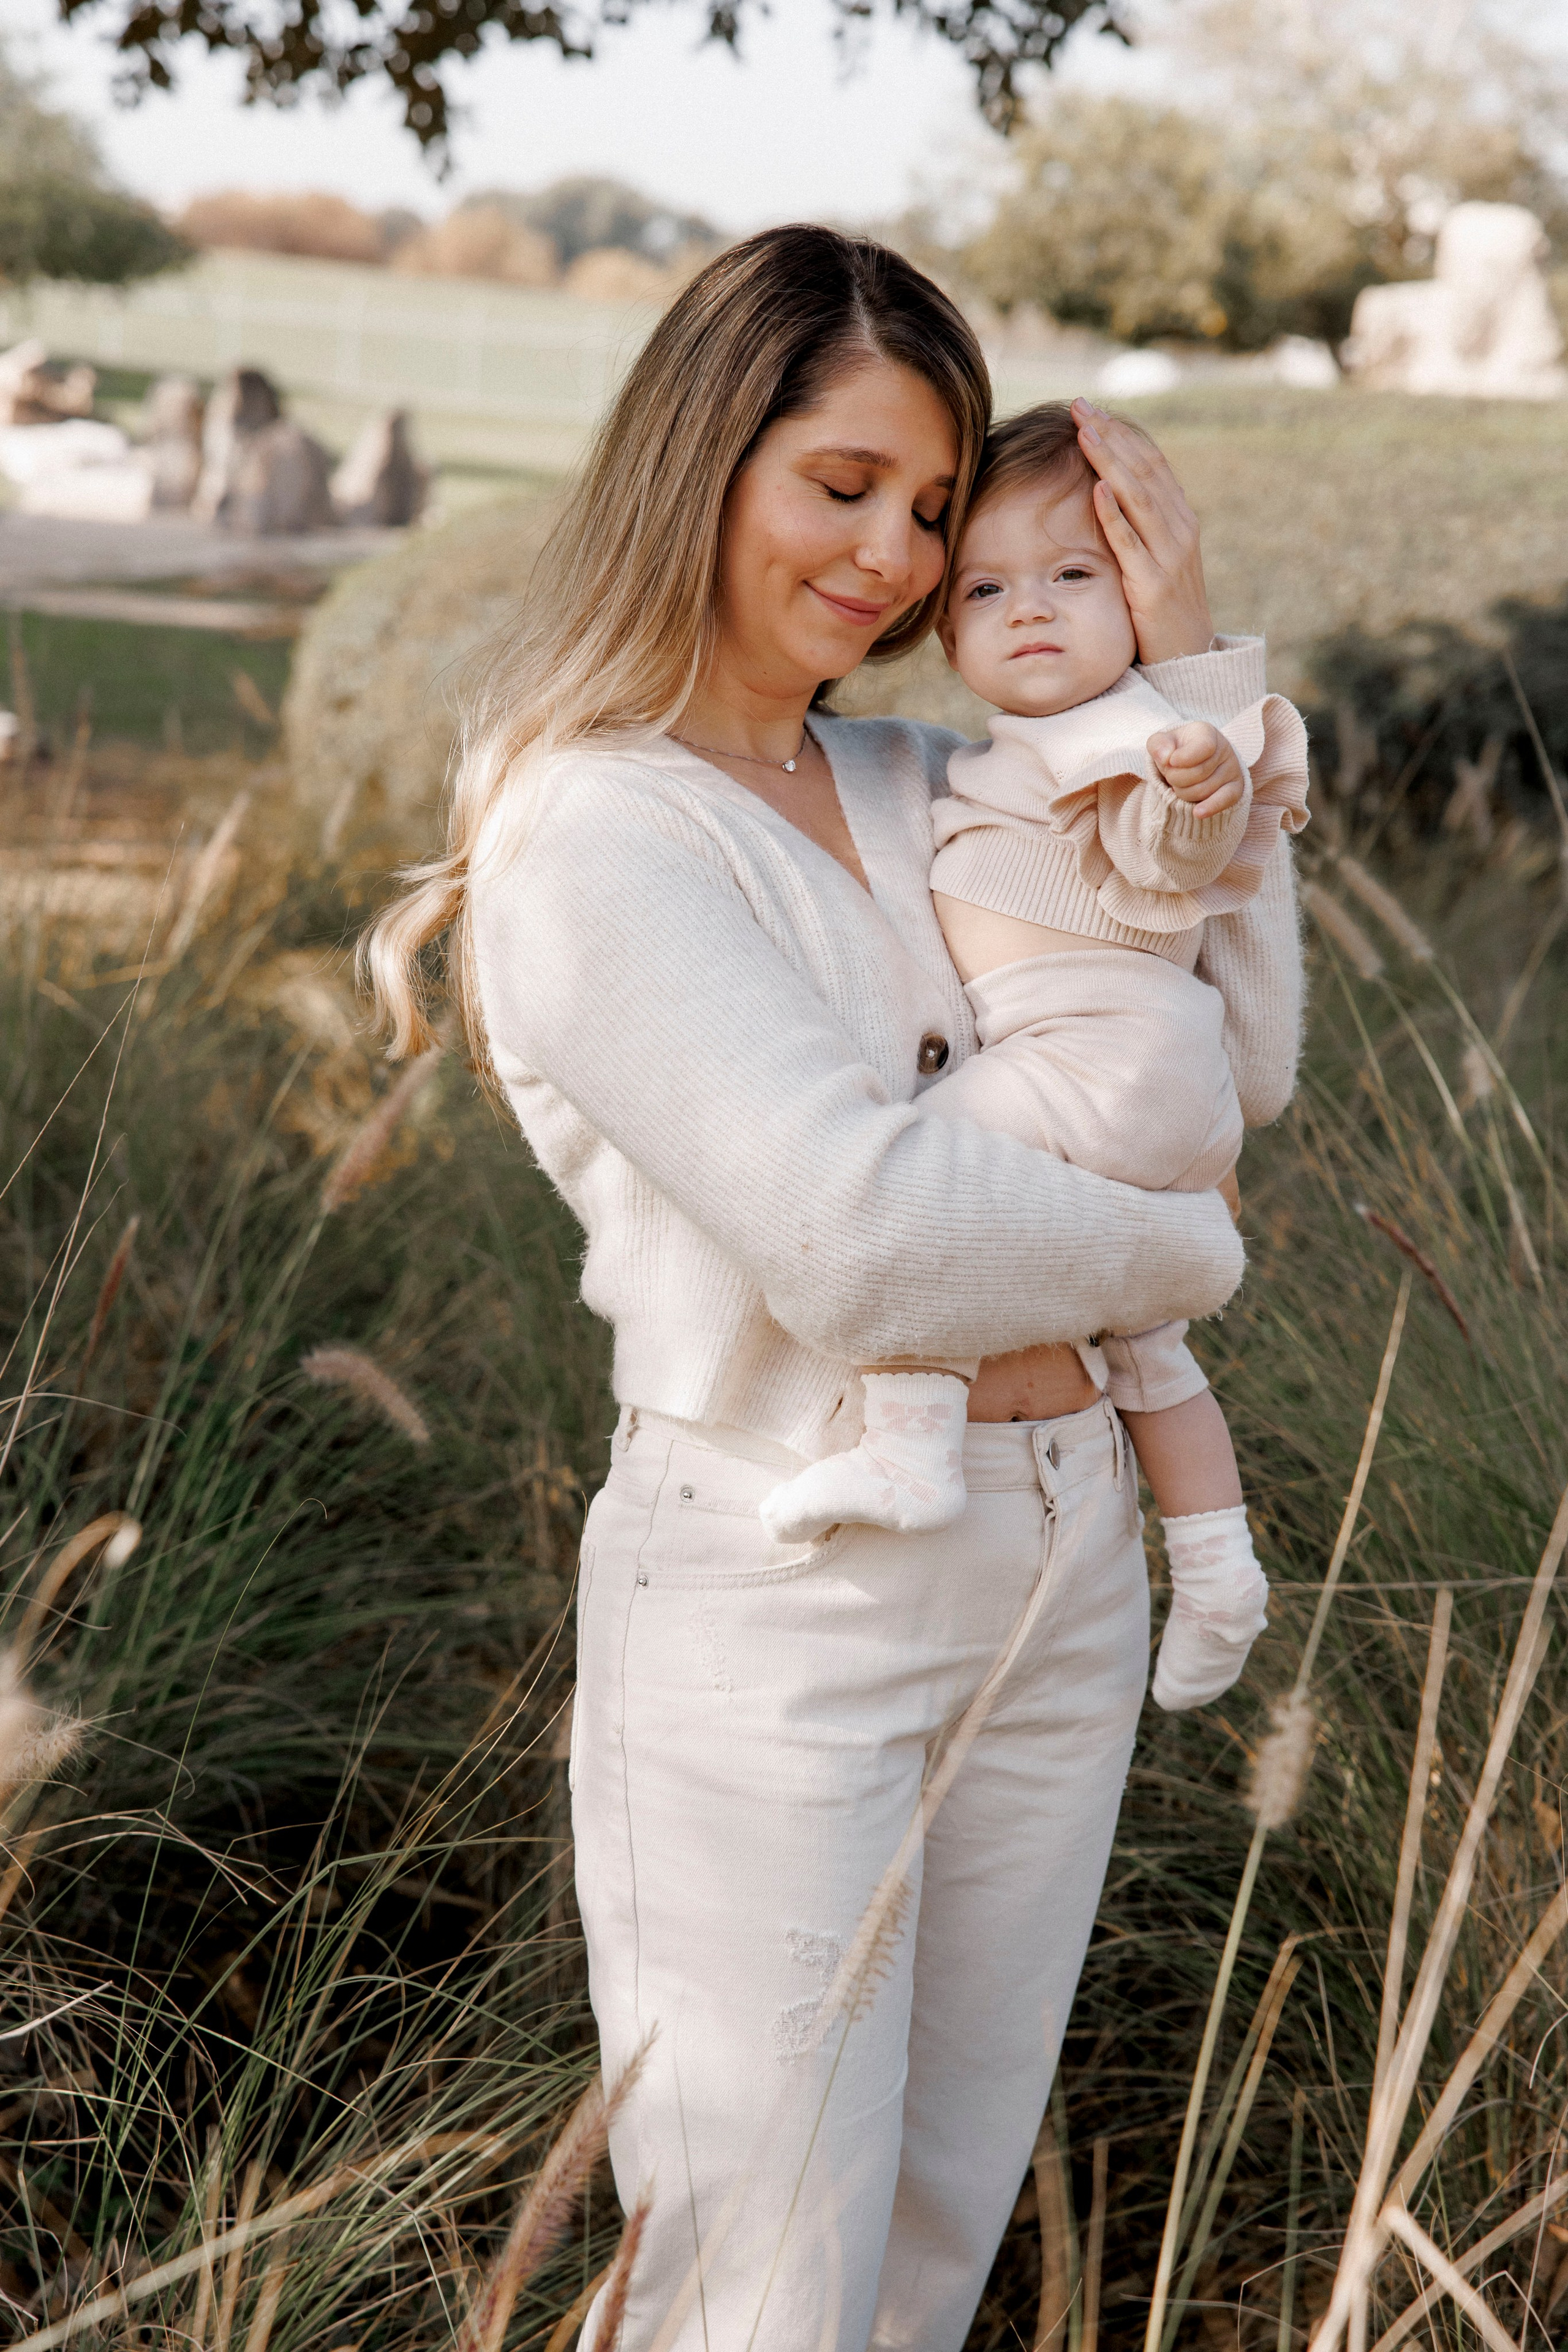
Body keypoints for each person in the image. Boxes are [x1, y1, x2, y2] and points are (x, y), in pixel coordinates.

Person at [364, 226, 1300, 2351]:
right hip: (790, 1590)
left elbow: (1227, 1064)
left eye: (940, 509)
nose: (895, 557)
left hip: (1069, 1560)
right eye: (842, 485)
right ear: (705, 466)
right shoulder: (596, 836)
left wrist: (1194, 678)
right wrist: (1178, 1258)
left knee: (923, 2249)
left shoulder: (925, 781)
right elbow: (864, 1245)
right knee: (760, 2278)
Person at [760, 402, 1309, 1713]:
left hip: (1102, 1060)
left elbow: (1172, 859)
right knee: (1151, 1357)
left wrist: (1195, 778)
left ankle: (903, 1434)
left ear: (1136, 597)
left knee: (923, 1179)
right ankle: (1218, 1562)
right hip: (1140, 1086)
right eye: (989, 587)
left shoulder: (1126, 742)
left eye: (1075, 577)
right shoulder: (981, 758)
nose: (1031, 612)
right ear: (943, 626)